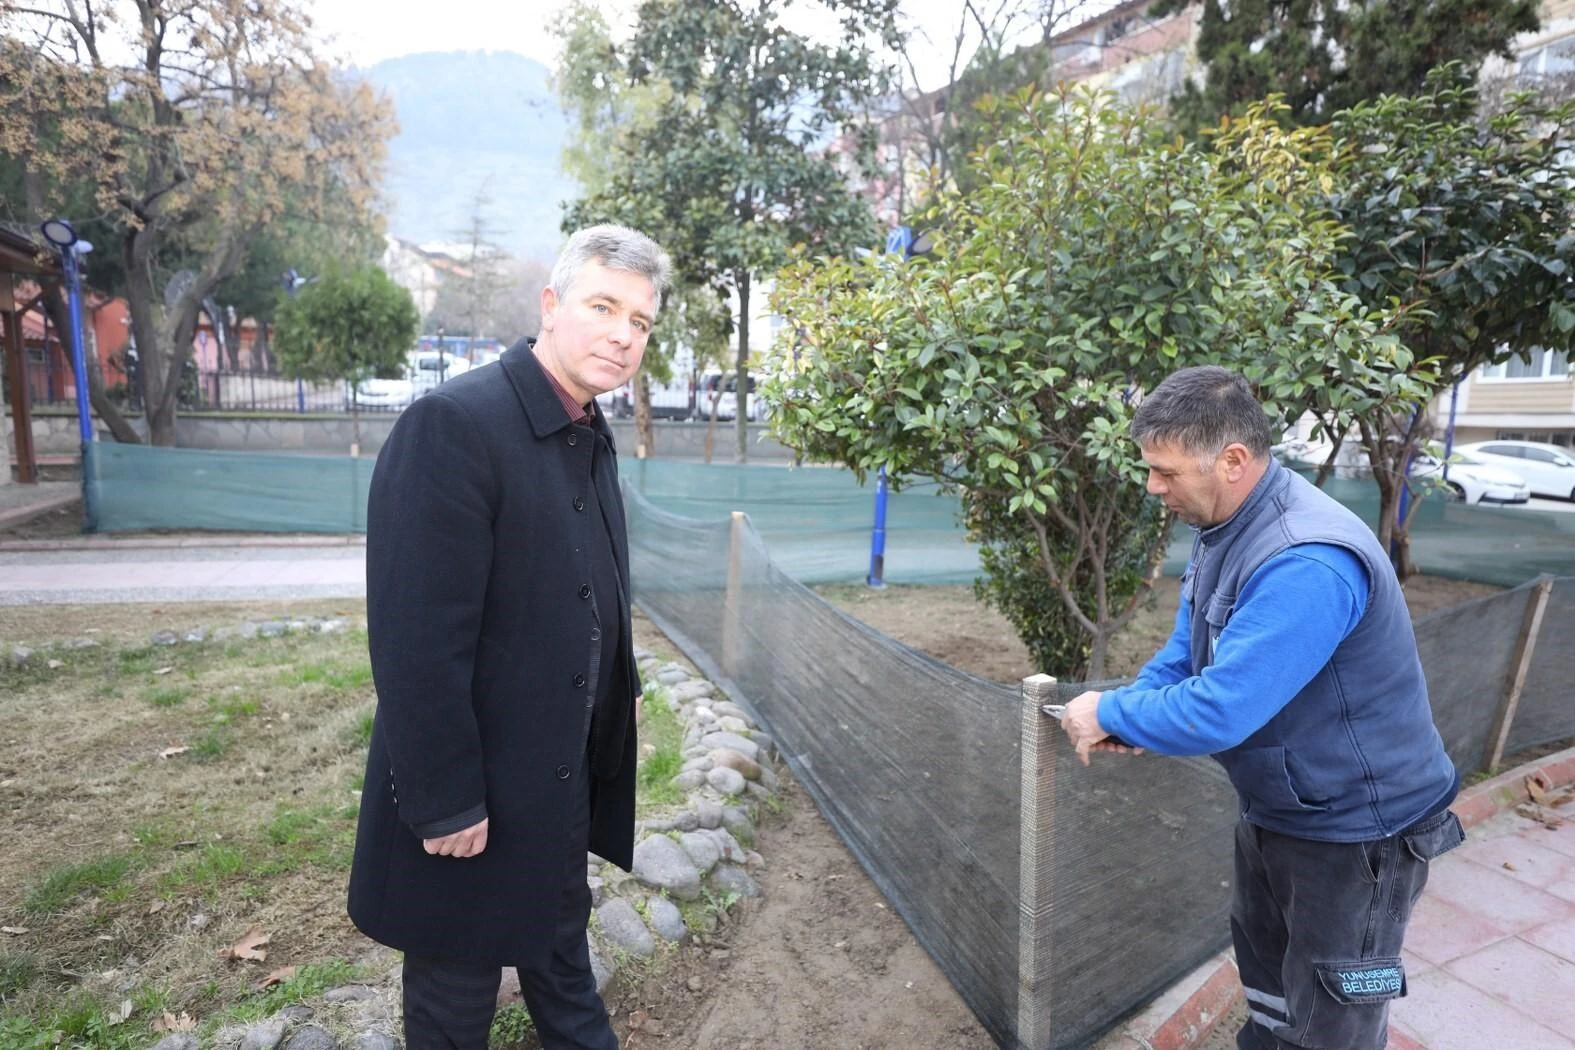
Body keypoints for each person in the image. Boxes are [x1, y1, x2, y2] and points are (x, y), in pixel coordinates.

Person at [1058, 366, 1465, 1050]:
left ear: (1233, 460)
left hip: (1359, 835)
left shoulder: (1305, 559)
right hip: (1283, 809)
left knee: (1339, 1006)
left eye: (1165, 471)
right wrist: (1131, 707)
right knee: (1271, 982)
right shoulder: (1225, 525)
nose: (1153, 487)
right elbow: (1185, 656)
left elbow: (1222, 707)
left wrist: (1110, 714)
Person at [347, 224, 671, 1050]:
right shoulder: (453, 425)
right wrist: (445, 799)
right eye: (604, 306)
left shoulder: (585, 429)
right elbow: (416, 639)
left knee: (563, 965)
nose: (622, 334)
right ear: (551, 305)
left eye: (640, 321)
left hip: (555, 787)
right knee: (455, 1003)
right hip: (472, 804)